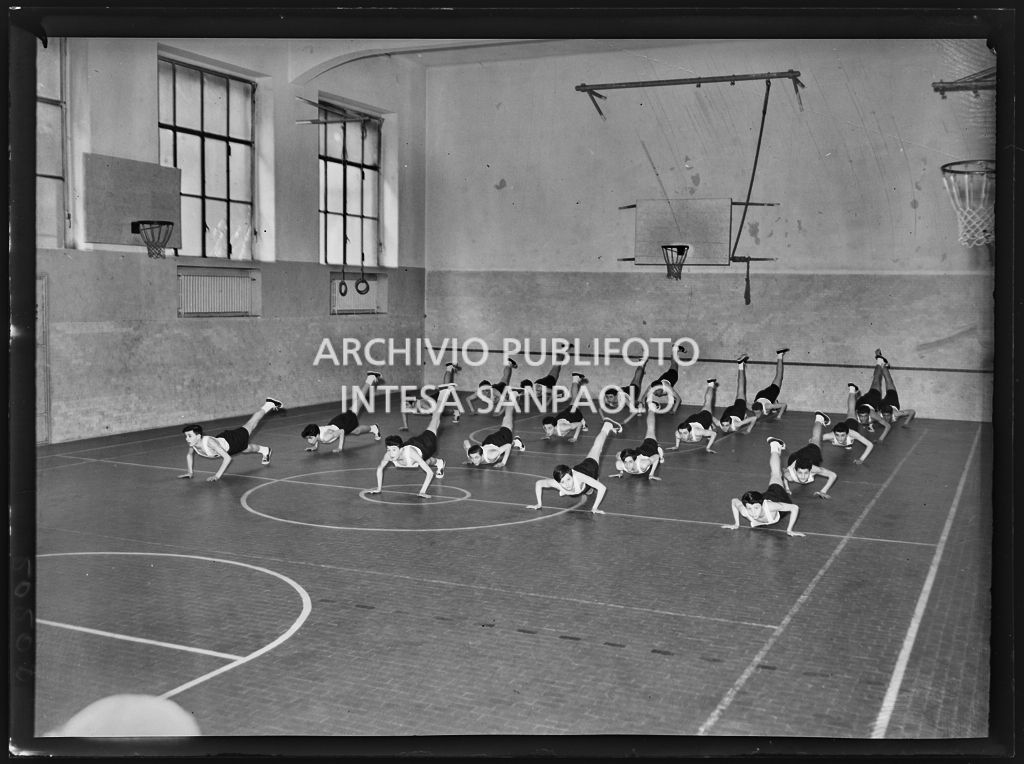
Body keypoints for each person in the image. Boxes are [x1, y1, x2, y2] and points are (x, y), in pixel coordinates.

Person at [370, 385, 455, 498]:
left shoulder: (410, 453)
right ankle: (439, 462)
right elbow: (380, 468)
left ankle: (444, 392)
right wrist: (378, 488)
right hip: (413, 443)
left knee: (436, 417)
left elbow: (429, 473)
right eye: (389, 450)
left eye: (394, 450)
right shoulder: (389, 455)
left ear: (400, 449)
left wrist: (422, 491)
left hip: (427, 443)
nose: (391, 453)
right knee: (423, 462)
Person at [527, 418, 622, 514]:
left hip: (589, 468)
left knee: (597, 447)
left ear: (572, 475)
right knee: (589, 491)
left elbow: (602, 488)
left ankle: (606, 426)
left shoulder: (579, 477)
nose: (566, 484)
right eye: (563, 482)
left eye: (568, 479)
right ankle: (591, 484)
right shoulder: (557, 483)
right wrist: (539, 504)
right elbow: (539, 483)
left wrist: (594, 508)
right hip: (582, 486)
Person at [179, 397, 283, 482]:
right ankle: (265, 450)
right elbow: (189, 455)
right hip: (225, 442)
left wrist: (217, 476)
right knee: (245, 448)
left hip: (232, 441)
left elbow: (227, 458)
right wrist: (190, 472)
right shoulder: (193, 443)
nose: (187, 439)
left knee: (251, 424)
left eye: (189, 436)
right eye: (186, 436)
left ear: (198, 436)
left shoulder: (210, 443)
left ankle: (269, 404)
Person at [722, 436, 805, 537]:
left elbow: (794, 507)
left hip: (777, 496)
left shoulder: (771, 507)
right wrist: (736, 524)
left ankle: (774, 445)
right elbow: (734, 501)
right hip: (763, 498)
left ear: (761, 505)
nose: (753, 513)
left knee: (776, 474)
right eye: (750, 509)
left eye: (756, 508)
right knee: (773, 476)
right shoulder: (745, 512)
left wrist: (789, 530)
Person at [301, 370, 382, 453]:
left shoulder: (326, 437)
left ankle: (371, 378)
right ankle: (374, 428)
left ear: (316, 435)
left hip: (344, 423)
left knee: (359, 401)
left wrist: (340, 448)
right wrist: (315, 446)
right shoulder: (317, 432)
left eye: (310, 438)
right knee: (356, 431)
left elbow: (342, 431)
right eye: (308, 438)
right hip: (336, 423)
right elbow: (317, 434)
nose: (309, 441)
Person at [464, 389, 526, 468]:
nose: (474, 460)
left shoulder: (492, 455)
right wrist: (469, 457)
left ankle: (513, 396)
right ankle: (516, 441)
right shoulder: (472, 454)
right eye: (472, 458)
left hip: (502, 438)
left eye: (476, 457)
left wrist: (503, 463)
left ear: (482, 454)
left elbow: (507, 446)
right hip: (489, 441)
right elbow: (465, 442)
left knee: (507, 416)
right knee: (501, 452)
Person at [783, 411, 839, 499]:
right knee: (815, 441)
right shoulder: (789, 476)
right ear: (796, 471)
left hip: (811, 455)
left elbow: (833, 475)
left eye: (806, 473)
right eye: (800, 473)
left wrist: (823, 491)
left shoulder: (815, 469)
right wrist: (786, 488)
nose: (803, 476)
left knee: (816, 439)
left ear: (810, 471)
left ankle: (819, 417)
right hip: (794, 457)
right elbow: (784, 473)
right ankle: (819, 420)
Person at [611, 393, 665, 480]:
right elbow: (619, 458)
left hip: (649, 449)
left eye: (630, 462)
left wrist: (651, 474)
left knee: (650, 429)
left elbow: (656, 457)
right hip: (638, 452)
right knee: (618, 456)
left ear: (635, 460)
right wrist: (620, 472)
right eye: (625, 462)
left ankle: (652, 408)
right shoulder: (620, 465)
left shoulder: (644, 464)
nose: (628, 465)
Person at [822, 384, 879, 464]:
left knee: (851, 410)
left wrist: (861, 459)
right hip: (843, 433)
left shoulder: (853, 434)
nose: (840, 438)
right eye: (837, 435)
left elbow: (870, 445)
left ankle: (852, 389)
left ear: (847, 433)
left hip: (851, 423)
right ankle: (819, 418)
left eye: (842, 435)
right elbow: (813, 440)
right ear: (834, 434)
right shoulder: (829, 436)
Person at [401, 362, 462, 430]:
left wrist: (434, 427)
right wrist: (405, 426)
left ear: (412, 403)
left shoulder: (422, 404)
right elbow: (403, 413)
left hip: (435, 401)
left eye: (406, 404)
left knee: (445, 388)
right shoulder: (407, 406)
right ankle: (455, 412)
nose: (405, 406)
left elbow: (435, 414)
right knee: (443, 412)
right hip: (432, 404)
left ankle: (449, 368)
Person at [669, 378, 723, 453]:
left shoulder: (698, 432)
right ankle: (710, 425)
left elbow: (714, 434)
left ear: (690, 431)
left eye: (685, 433)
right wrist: (676, 446)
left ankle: (711, 384)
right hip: (692, 419)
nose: (682, 436)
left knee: (707, 403)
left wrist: (708, 448)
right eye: (681, 433)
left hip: (704, 418)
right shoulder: (677, 433)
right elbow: (677, 436)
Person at [639, 344, 690, 416]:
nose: (656, 393)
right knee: (673, 363)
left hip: (672, 376)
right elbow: (643, 398)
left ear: (662, 388)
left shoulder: (668, 388)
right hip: (663, 378)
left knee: (674, 364)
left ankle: (675, 350)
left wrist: (673, 410)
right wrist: (641, 409)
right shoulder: (651, 387)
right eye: (655, 391)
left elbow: (679, 399)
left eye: (657, 391)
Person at [851, 353, 894, 439]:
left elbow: (888, 426)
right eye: (861, 417)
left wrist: (880, 439)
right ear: (858, 415)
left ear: (868, 415)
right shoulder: (854, 417)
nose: (863, 419)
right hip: (862, 404)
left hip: (872, 399)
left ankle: (880, 361)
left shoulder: (873, 415)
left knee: (876, 380)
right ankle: (883, 366)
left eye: (865, 416)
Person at [541, 372, 591, 442]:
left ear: (554, 427)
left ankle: (575, 378)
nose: (547, 431)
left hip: (572, 415)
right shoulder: (550, 426)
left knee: (574, 398)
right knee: (574, 398)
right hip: (562, 417)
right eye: (545, 428)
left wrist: (575, 438)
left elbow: (578, 424)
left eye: (549, 428)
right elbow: (548, 427)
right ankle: (576, 379)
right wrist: (547, 435)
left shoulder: (564, 428)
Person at [717, 353, 760, 434]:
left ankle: (740, 364)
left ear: (731, 423)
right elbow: (710, 417)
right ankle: (742, 364)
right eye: (724, 425)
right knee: (740, 389)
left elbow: (754, 418)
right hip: (732, 411)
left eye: (726, 425)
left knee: (741, 387)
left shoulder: (737, 424)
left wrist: (748, 430)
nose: (725, 428)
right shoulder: (720, 424)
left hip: (736, 409)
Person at [875, 349, 918, 427]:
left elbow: (912, 411)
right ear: (882, 414)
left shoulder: (897, 414)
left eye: (888, 416)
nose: (886, 418)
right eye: (884, 416)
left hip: (887, 402)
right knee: (885, 381)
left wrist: (906, 422)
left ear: (892, 414)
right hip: (889, 403)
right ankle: (882, 362)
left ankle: (882, 362)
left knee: (888, 380)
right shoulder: (879, 415)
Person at [603, 357, 648, 424]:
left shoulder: (623, 399)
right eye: (607, 397)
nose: (608, 399)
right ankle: (641, 367)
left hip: (633, 391)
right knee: (635, 379)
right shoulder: (606, 400)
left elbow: (633, 411)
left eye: (611, 397)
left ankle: (642, 363)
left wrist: (624, 422)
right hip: (625, 390)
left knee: (637, 378)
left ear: (616, 396)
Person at [750, 347, 790, 422]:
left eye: (757, 412)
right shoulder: (752, 407)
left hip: (771, 392)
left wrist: (779, 416)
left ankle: (779, 355)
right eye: (755, 413)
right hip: (760, 394)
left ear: (761, 409)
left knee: (779, 376)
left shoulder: (768, 406)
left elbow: (784, 405)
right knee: (769, 410)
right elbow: (744, 403)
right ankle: (775, 403)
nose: (756, 415)